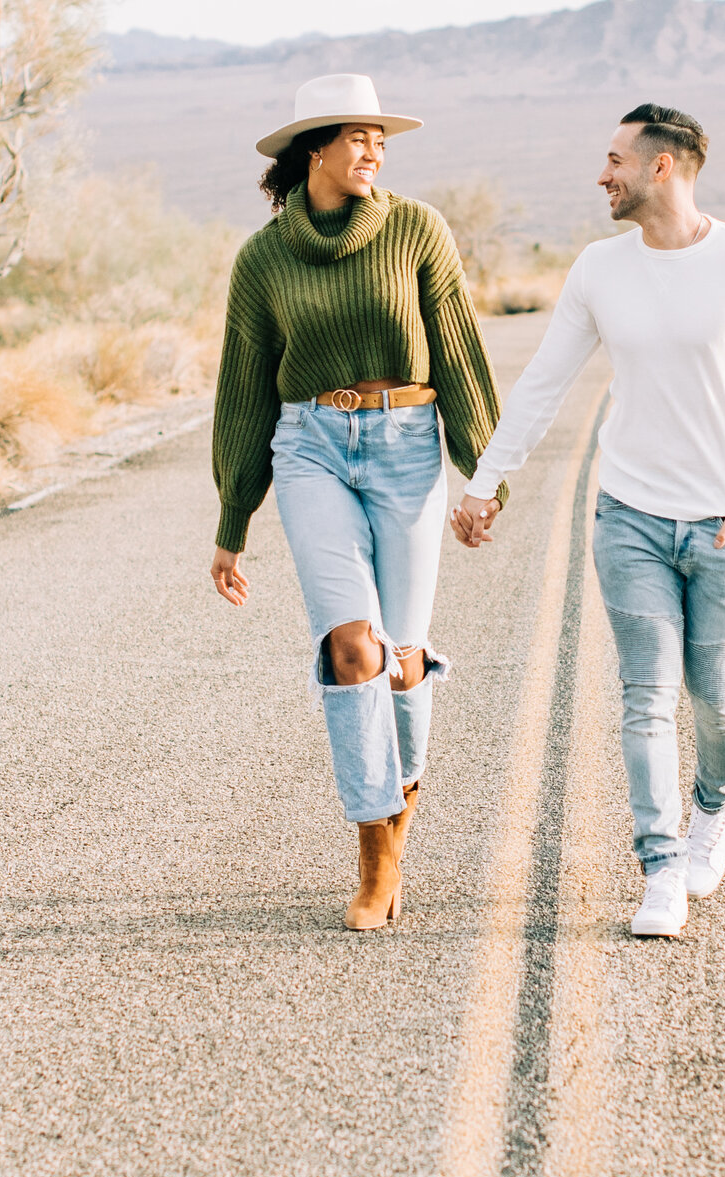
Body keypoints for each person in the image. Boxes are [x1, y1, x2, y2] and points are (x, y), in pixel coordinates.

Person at [451, 103, 725, 938]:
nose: (601, 174)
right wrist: (486, 480)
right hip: (631, 519)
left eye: (614, 159)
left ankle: (713, 808)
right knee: (644, 696)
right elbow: (544, 382)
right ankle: (659, 867)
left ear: (664, 167)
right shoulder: (598, 269)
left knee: (716, 698)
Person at [208, 73, 506, 931]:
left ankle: (397, 803)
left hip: (408, 442)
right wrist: (233, 520)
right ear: (315, 148)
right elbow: (243, 391)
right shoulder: (263, 259)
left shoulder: (417, 230)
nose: (376, 149)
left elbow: (456, 350)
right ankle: (376, 852)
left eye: (383, 137)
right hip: (309, 445)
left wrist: (482, 477)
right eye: (360, 136)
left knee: (403, 658)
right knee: (353, 650)